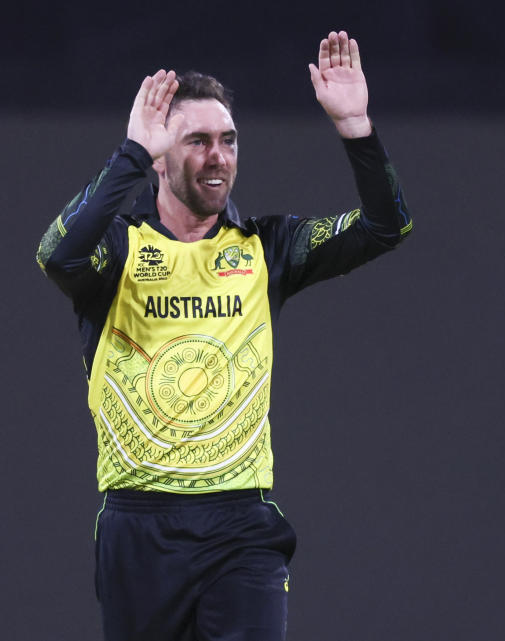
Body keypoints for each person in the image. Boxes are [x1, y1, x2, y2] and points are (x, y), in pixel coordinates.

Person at [36, 31, 412, 641]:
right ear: (160, 155)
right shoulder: (119, 247)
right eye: (198, 141)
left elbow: (386, 226)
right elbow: (56, 255)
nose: (219, 156)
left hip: (241, 523)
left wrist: (357, 128)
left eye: (229, 141)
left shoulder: (267, 247)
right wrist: (130, 152)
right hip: (139, 525)